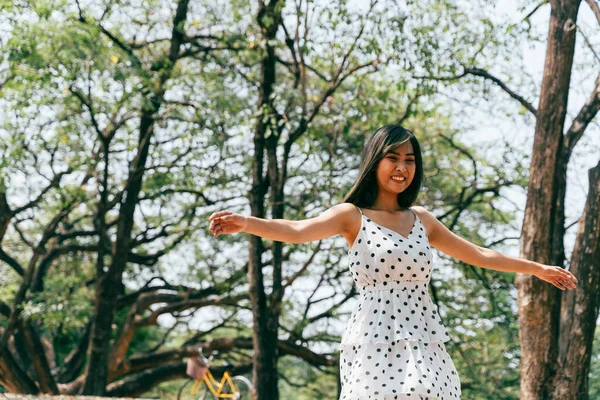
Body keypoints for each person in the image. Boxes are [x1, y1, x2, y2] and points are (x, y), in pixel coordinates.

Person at [208, 124, 578, 399]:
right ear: (375, 161)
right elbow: (297, 229)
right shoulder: (351, 214)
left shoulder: (422, 220)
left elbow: (479, 253)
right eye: (393, 158)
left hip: (423, 333)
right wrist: (247, 223)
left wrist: (537, 269)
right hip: (375, 335)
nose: (402, 167)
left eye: (410, 160)